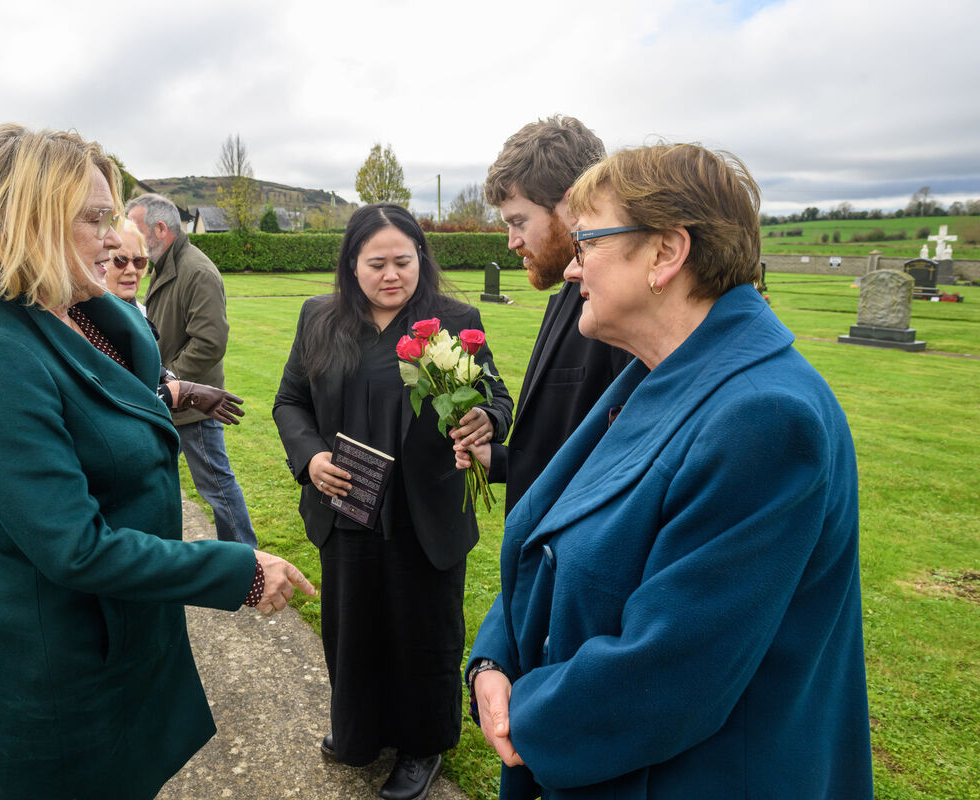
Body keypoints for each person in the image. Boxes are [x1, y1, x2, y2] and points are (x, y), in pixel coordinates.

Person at [467, 143, 873, 798]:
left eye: (588, 242)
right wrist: (494, 660)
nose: (572, 270)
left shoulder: (765, 418)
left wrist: (521, 712)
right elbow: (553, 536)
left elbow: (669, 674)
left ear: (665, 253)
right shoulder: (663, 372)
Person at [0, 123, 313, 800]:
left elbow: (112, 400)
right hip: (58, 660)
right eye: (96, 218)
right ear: (26, 220)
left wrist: (179, 390)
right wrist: (238, 569)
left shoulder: (84, 310)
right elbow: (73, 548)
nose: (115, 238)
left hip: (125, 626)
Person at [273, 203, 513, 800]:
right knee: (353, 629)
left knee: (423, 632)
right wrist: (309, 459)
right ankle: (358, 732)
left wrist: (484, 418)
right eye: (375, 263)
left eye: (403, 262)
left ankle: (421, 745)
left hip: (422, 513)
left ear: (420, 261)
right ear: (351, 266)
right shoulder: (319, 318)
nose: (390, 275)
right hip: (346, 503)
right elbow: (289, 401)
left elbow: (497, 398)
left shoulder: (453, 319)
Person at [453, 115, 632, 513]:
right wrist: (500, 460)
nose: (513, 242)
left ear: (571, 204)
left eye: (519, 221)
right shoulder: (568, 293)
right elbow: (564, 444)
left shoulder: (621, 311)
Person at [126, 193, 258, 548]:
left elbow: (210, 342)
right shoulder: (162, 264)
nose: (128, 238)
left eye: (136, 229)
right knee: (156, 480)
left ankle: (245, 560)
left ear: (160, 228)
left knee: (217, 486)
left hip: (194, 406)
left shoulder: (196, 271)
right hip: (172, 399)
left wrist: (175, 384)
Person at [107, 217, 244, 425]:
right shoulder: (86, 321)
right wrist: (177, 392)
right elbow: (114, 398)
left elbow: (150, 372)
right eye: (120, 260)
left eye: (139, 261)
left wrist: (172, 381)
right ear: (97, 260)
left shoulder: (137, 314)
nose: (132, 270)